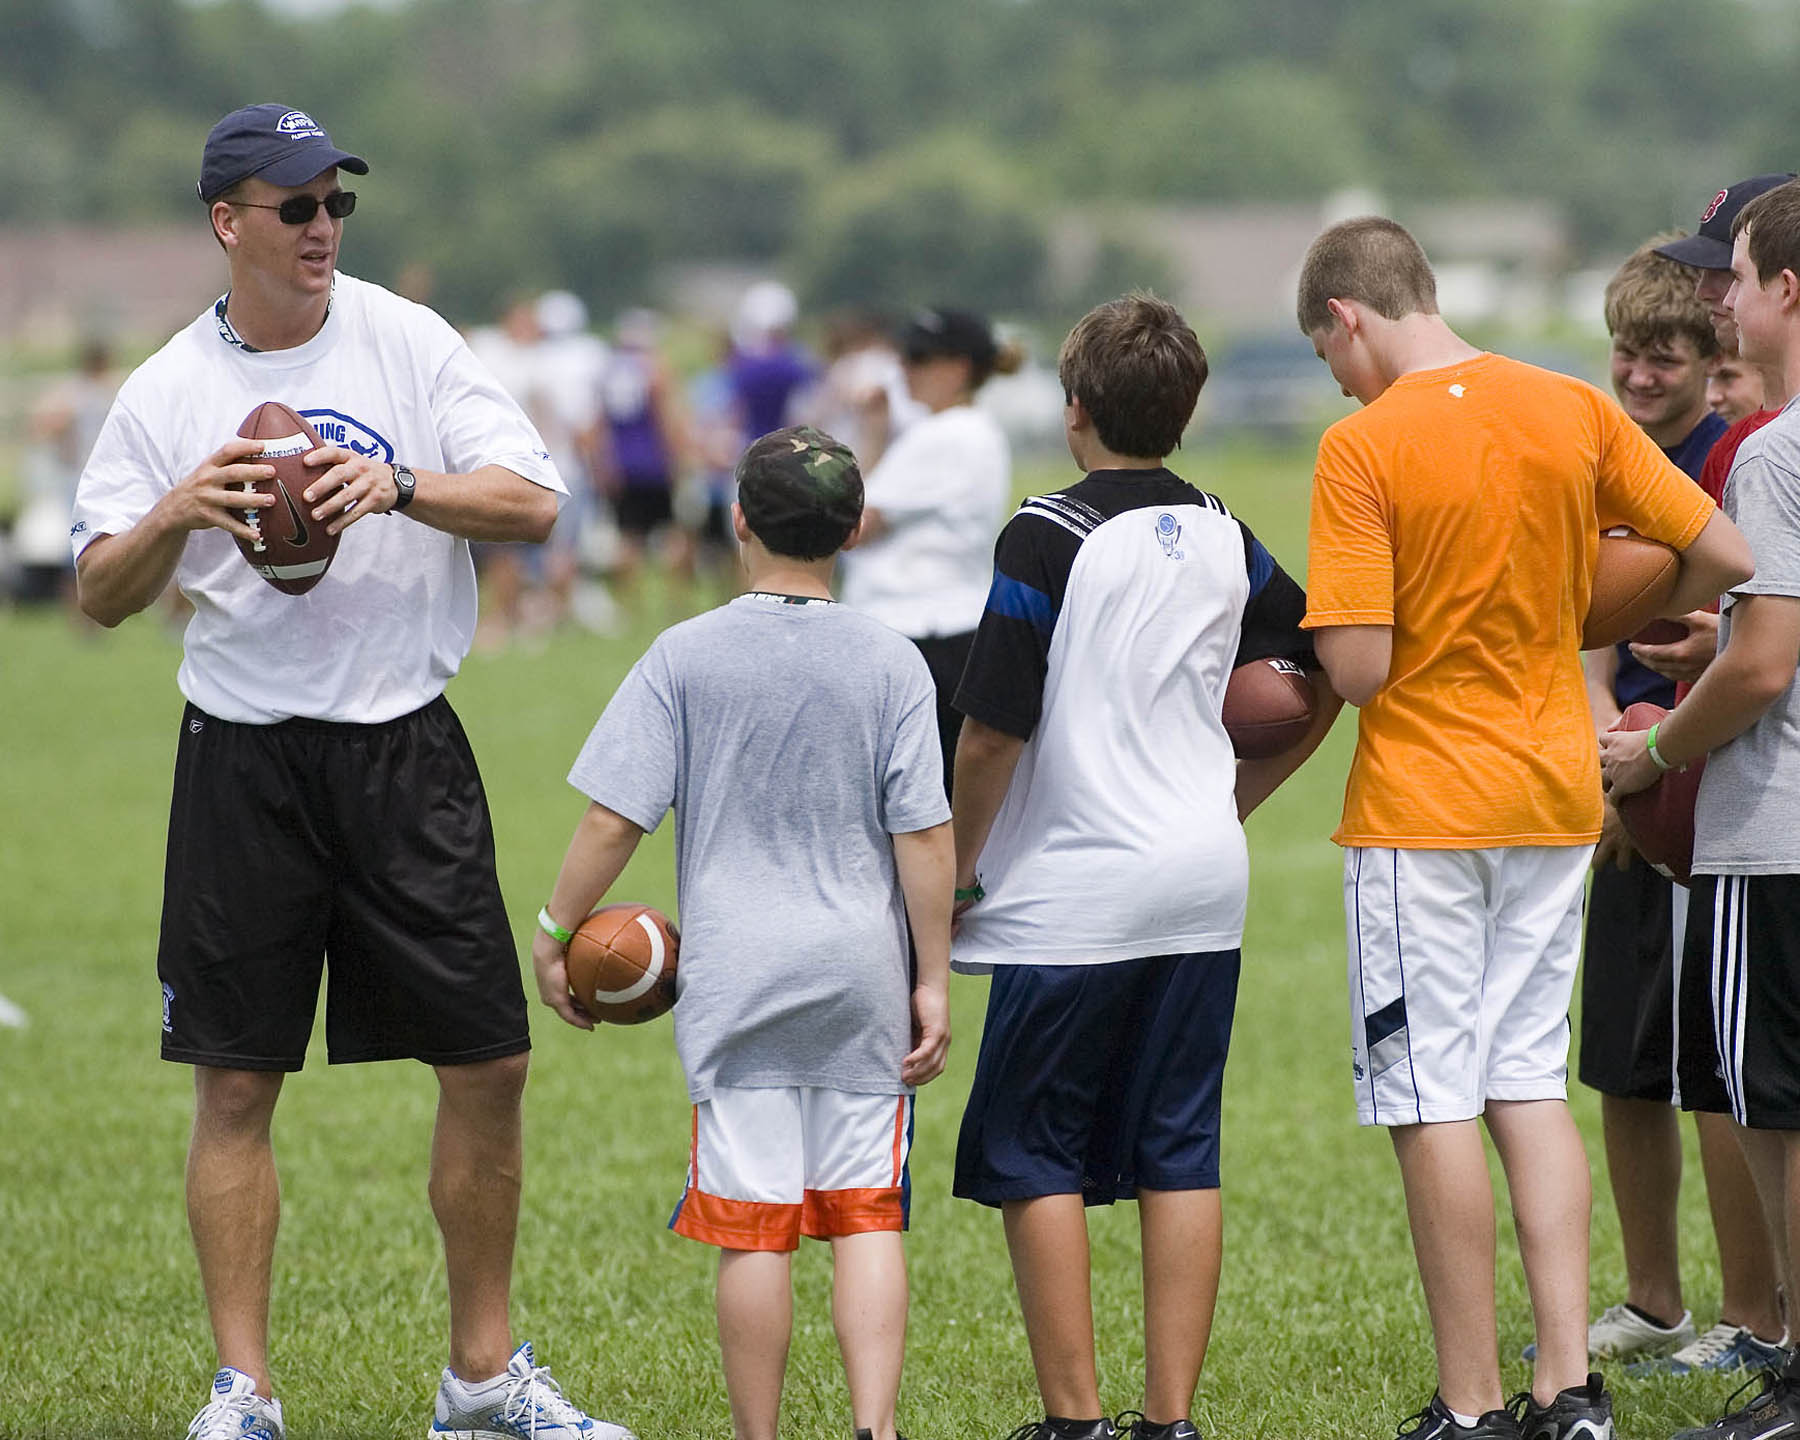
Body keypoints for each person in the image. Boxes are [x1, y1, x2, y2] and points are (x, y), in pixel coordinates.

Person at [69, 103, 625, 1440]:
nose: (324, 229)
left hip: (403, 748)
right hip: (243, 761)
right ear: (229, 222)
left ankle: (482, 1378)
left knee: (491, 1061)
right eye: (297, 206)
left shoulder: (407, 341)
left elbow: (539, 502)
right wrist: (177, 513)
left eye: (338, 207)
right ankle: (243, 1391)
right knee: (237, 1079)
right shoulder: (165, 392)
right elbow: (97, 590)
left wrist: (402, 489)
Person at [1297, 216, 1753, 1440]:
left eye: (1328, 354)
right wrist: (1576, 602)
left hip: (1423, 810)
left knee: (1432, 1099)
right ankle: (1570, 1387)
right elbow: (1718, 550)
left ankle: (1472, 1402)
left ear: (1347, 316)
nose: (1335, 379)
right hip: (1555, 792)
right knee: (1527, 1087)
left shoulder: (1361, 444)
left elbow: (1356, 668)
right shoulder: (1568, 405)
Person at [949, 292, 1340, 1440]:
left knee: (1037, 1152)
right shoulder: (1224, 526)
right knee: (1180, 1146)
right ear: (1189, 406)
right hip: (1202, 880)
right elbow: (1319, 671)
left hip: (1072, 892)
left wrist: (956, 870)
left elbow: (988, 733)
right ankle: (1169, 1422)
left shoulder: (1045, 532)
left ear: (1073, 408)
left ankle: (1075, 1422)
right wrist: (1235, 802)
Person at [530, 426, 954, 1440]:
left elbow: (611, 818)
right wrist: (929, 977)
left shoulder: (685, 655)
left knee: (755, 1228)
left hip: (735, 978)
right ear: (854, 528)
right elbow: (927, 837)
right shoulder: (893, 661)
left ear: (736, 522)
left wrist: (554, 932)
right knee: (864, 1212)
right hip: (859, 973)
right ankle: (875, 1428)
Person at [1602, 178, 1800, 1440]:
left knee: (1768, 1103)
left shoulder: (1774, 452)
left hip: (1772, 828)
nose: (1718, 301)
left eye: (1733, 277)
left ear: (1788, 290)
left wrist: (1656, 751)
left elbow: (1769, 661)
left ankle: (1782, 1356)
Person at [840, 307, 1019, 795]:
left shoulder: (949, 436)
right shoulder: (958, 431)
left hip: (921, 634)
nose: (903, 369)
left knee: (907, 802)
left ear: (957, 368)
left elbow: (851, 523)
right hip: (937, 633)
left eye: (918, 357)